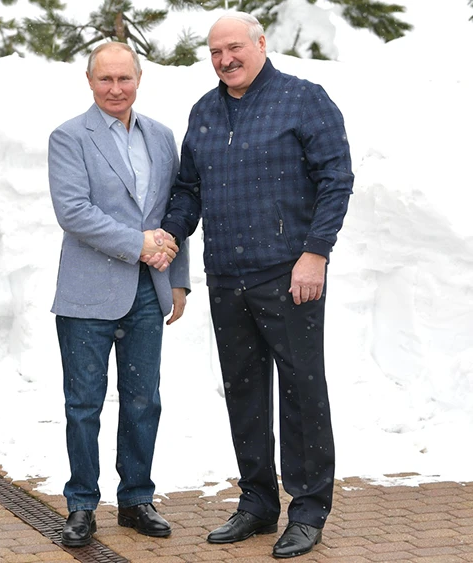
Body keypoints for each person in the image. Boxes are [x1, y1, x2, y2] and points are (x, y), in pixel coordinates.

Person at [160, 12, 354, 559]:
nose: (226, 59)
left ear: (260, 44)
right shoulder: (203, 112)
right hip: (227, 276)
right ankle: (257, 502)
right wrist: (170, 235)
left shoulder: (303, 99)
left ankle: (308, 510)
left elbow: (336, 179)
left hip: (288, 275)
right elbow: (188, 190)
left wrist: (315, 253)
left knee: (301, 392)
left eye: (235, 48)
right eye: (216, 51)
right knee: (244, 391)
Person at [47, 41, 190, 548]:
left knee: (143, 401)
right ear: (90, 81)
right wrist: (138, 245)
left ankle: (136, 499)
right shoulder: (69, 137)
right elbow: (74, 212)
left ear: (138, 80)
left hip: (149, 293)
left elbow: (173, 213)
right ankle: (82, 504)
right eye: (105, 79)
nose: (115, 88)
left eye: (124, 79)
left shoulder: (161, 136)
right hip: (87, 295)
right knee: (83, 404)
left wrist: (178, 278)